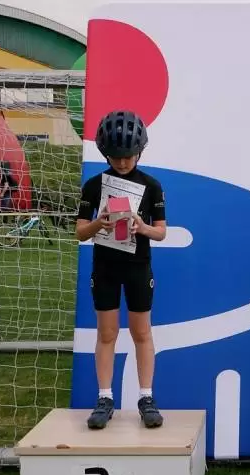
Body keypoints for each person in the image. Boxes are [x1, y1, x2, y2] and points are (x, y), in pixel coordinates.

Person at [75, 110, 167, 429]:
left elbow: (161, 232)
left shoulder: (151, 186)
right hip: (105, 269)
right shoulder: (93, 185)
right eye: (116, 157)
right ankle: (105, 398)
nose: (123, 162)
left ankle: (146, 397)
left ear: (140, 152)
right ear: (105, 154)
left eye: (128, 156)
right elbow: (80, 232)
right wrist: (98, 223)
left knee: (142, 332)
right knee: (107, 333)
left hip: (138, 268)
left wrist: (142, 227)